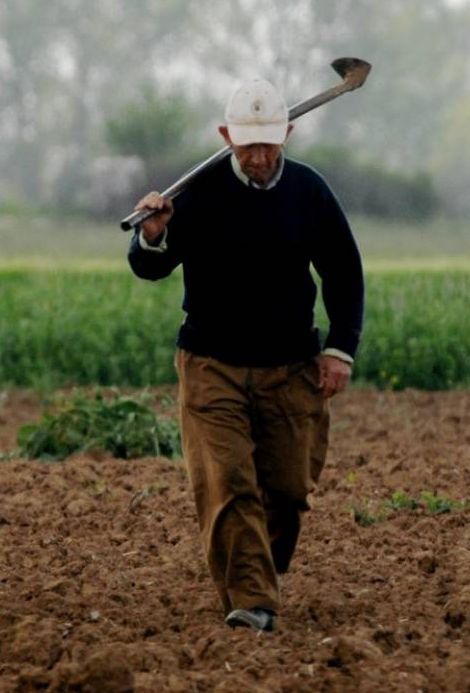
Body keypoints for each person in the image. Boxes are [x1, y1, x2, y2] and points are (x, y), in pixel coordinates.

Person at [127, 78, 365, 632]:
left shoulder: (309, 193)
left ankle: (257, 571)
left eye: (269, 144)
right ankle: (253, 600)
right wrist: (154, 235)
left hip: (290, 368)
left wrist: (339, 350)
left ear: (287, 132)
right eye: (247, 145)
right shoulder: (197, 195)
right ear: (225, 136)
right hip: (212, 365)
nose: (258, 158)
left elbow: (344, 273)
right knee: (228, 483)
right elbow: (150, 267)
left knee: (286, 492)